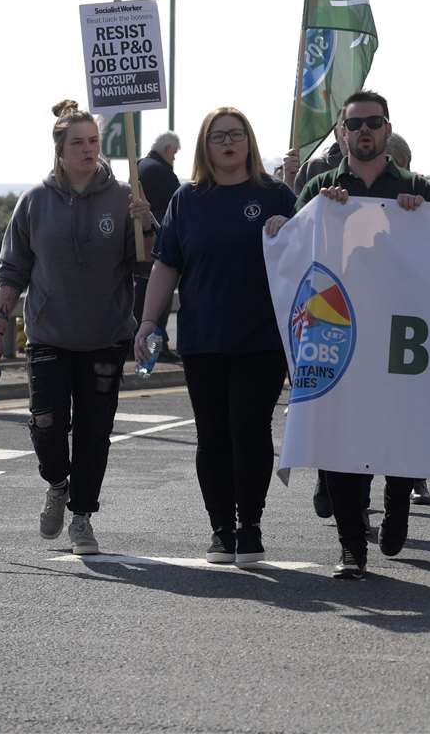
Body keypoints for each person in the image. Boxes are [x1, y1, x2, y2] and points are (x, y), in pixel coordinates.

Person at [266, 91, 430, 579]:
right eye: (355, 124)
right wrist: (291, 221)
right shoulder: (320, 187)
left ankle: (398, 500)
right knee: (342, 440)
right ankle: (350, 546)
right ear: (342, 133)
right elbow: (290, 248)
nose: (364, 131)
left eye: (374, 122)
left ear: (387, 130)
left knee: (401, 434)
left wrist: (422, 215)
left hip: (402, 335)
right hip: (338, 331)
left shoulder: (418, 186)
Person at [0, 100, 155, 557]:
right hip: (48, 338)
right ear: (59, 150)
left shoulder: (123, 197)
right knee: (48, 427)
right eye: (77, 143)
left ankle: (82, 517)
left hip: (106, 336)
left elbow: (145, 265)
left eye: (93, 142)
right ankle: (57, 483)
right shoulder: (34, 201)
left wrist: (147, 225)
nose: (87, 150)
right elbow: (11, 271)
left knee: (95, 433)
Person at [136, 107, 297, 566]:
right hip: (203, 337)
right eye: (218, 136)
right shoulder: (187, 199)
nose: (228, 142)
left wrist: (291, 232)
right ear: (205, 147)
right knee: (213, 435)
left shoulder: (276, 195)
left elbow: (308, 258)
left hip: (262, 337)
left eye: (236, 134)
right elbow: (167, 263)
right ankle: (220, 529)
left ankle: (251, 526)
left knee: (250, 429)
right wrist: (149, 323)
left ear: (249, 141)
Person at [135, 131, 181, 359]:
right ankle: (157, 349)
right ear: (169, 150)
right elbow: (179, 212)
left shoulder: (140, 165)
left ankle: (146, 349)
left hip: (140, 247)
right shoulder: (162, 172)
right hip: (158, 249)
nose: (175, 158)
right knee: (159, 306)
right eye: (175, 154)